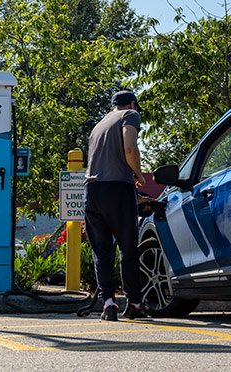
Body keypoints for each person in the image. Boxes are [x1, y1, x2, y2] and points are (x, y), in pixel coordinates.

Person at [83, 90, 154, 321]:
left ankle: (108, 304)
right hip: (118, 189)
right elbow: (130, 148)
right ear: (132, 103)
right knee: (128, 249)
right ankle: (134, 303)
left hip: (92, 191)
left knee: (101, 252)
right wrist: (139, 175)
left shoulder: (98, 126)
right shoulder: (130, 115)